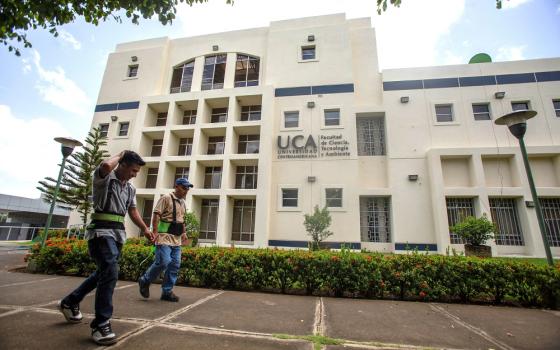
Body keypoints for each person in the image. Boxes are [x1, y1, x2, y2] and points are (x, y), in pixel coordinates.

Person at [58, 150, 152, 345]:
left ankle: (70, 301)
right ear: (123, 165)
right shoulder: (104, 179)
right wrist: (122, 152)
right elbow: (106, 166)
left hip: (118, 234)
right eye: (133, 170)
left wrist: (145, 229)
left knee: (104, 272)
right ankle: (101, 324)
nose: (135, 174)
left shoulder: (130, 189)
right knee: (110, 270)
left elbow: (132, 211)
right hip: (100, 232)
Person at [138, 177, 193, 302]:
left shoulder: (183, 203)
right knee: (163, 261)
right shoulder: (166, 198)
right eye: (184, 188)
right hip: (164, 237)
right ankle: (145, 280)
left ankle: (167, 292)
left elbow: (182, 219)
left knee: (175, 264)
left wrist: (184, 233)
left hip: (176, 238)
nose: (186, 191)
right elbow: (156, 214)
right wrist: (155, 232)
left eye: (188, 188)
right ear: (177, 186)